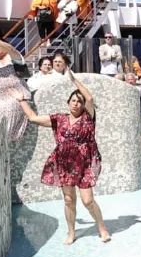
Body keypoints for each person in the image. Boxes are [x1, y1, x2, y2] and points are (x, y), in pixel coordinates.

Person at [19, 72, 109, 244]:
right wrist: (21, 101)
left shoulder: (88, 118)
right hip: (64, 163)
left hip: (85, 163)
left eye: (79, 101)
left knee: (88, 200)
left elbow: (89, 98)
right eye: (73, 100)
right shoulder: (59, 119)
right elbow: (33, 118)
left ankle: (102, 228)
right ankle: (71, 232)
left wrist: (74, 81)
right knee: (69, 200)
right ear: (68, 103)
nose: (76, 103)